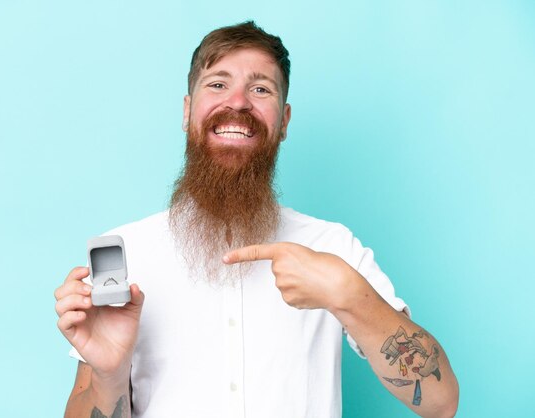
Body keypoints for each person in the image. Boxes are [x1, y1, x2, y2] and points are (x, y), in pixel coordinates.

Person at [54, 21, 459, 418]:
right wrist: (109, 373)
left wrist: (348, 293)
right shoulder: (128, 251)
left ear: (283, 122)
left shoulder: (332, 245)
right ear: (186, 111)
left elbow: (441, 403)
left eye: (260, 88)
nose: (238, 102)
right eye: (217, 84)